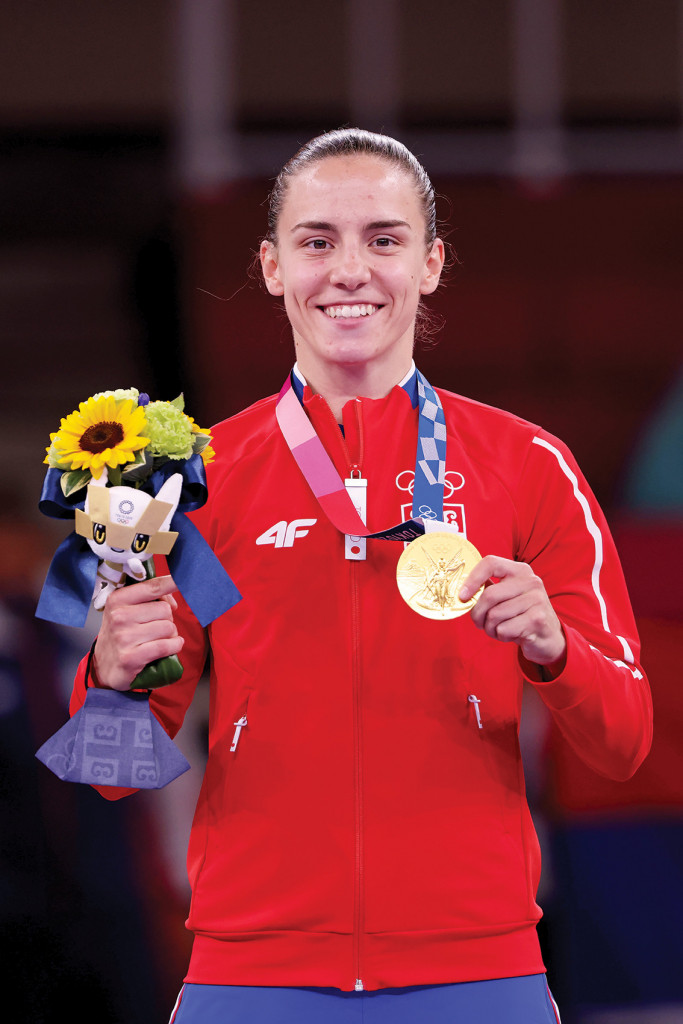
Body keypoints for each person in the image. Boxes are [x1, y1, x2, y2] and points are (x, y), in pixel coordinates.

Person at [69, 129, 652, 1023]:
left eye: (383, 239)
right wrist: (108, 681)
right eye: (316, 241)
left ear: (430, 264)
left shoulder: (526, 467)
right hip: (251, 978)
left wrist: (555, 652)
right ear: (271, 267)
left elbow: (624, 743)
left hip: (476, 973)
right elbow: (110, 776)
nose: (349, 270)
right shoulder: (198, 484)